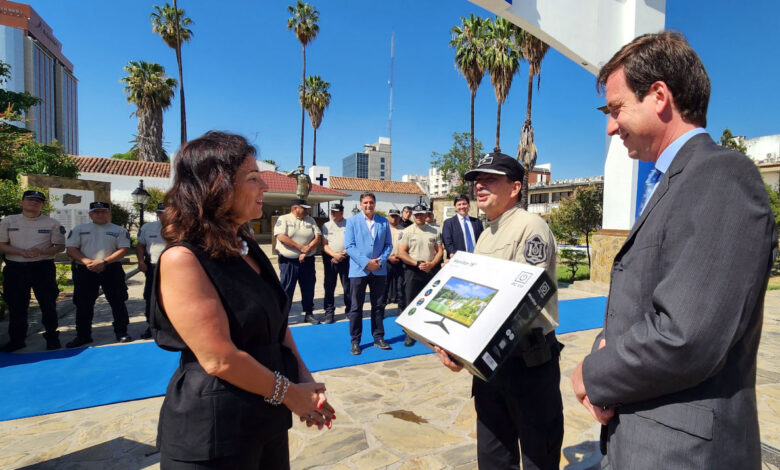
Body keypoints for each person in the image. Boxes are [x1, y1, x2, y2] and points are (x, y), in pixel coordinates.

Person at [570, 32, 776, 469]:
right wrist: (605, 345)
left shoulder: (721, 176)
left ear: (659, 96)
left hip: (681, 455)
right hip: (639, 440)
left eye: (615, 108)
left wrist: (592, 374)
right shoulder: (671, 182)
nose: (610, 126)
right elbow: (644, 303)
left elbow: (686, 337)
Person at [151, 131, 335, 469]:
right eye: (253, 179)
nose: (264, 188)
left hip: (266, 418)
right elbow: (219, 359)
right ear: (216, 186)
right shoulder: (183, 259)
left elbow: (278, 329)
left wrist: (306, 382)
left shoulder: (248, 249)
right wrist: (293, 396)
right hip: (216, 430)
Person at [436, 152, 562, 470]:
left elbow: (521, 300)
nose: (479, 185)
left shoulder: (530, 227)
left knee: (538, 457)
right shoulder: (486, 233)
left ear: (515, 187)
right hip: (491, 367)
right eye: (477, 180)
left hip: (527, 364)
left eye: (490, 179)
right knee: (493, 458)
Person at [0, 190, 65, 351]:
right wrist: (20, 252)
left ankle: (52, 338)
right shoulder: (8, 221)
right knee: (17, 306)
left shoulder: (52, 223)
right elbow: (1, 244)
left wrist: (41, 252)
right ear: (21, 203)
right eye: (30, 199)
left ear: (42, 205)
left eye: (38, 201)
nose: (34, 202)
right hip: (16, 268)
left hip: (42, 268)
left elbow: (59, 246)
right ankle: (17, 340)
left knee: (48, 304)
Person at [65, 201, 133, 348]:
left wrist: (104, 262)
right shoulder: (79, 229)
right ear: (90, 214)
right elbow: (71, 249)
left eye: (104, 211)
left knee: (118, 302)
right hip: (85, 270)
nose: (100, 214)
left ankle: (121, 332)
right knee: (83, 304)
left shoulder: (119, 230)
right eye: (96, 212)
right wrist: (87, 261)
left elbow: (123, 249)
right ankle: (83, 335)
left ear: (109, 213)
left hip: (111, 269)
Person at [343, 192, 393, 355]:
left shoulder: (383, 221)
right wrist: (366, 262)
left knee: (378, 305)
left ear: (375, 204)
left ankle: (378, 337)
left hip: (379, 270)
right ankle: (355, 341)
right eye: (365, 203)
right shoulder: (352, 221)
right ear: (360, 204)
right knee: (356, 307)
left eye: (371, 202)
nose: (368, 205)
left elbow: (388, 245)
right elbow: (349, 246)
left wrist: (380, 261)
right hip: (359, 270)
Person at [397, 203, 443, 347]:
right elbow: (401, 252)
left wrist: (432, 264)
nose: (419, 217)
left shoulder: (435, 231)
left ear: (426, 214)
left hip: (429, 271)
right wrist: (416, 263)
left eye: (421, 214)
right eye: (416, 215)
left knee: (430, 303)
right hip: (413, 271)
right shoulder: (407, 231)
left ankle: (427, 332)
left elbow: (440, 250)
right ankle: (410, 334)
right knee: (411, 303)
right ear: (413, 215)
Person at [274, 199, 321, 324]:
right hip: (289, 261)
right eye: (304, 208)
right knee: (287, 288)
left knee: (308, 287)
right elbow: (281, 237)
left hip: (307, 260)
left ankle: (309, 313)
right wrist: (300, 248)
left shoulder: (310, 220)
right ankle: (283, 316)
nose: (306, 211)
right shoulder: (284, 219)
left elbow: (318, 237)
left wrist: (306, 251)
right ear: (295, 208)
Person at [137, 203, 167, 339]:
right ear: (158, 214)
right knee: (151, 297)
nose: (164, 215)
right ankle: (152, 326)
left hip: (174, 268)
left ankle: (173, 327)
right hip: (153, 266)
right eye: (161, 213)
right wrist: (141, 261)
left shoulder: (182, 226)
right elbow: (141, 246)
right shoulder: (147, 227)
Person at [321, 203, 350, 324]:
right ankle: (329, 312)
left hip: (346, 258)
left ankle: (350, 310)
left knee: (348, 287)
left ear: (342, 213)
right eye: (331, 211)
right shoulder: (326, 225)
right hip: (330, 259)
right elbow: (324, 244)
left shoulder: (349, 224)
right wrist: (334, 255)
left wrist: (343, 254)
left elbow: (353, 242)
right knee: (329, 286)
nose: (332, 213)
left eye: (335, 212)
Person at [384, 209, 406, 311]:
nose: (394, 218)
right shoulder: (383, 229)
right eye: (392, 216)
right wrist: (389, 257)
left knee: (400, 287)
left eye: (396, 216)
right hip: (386, 262)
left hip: (400, 262)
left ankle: (401, 310)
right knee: (384, 287)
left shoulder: (404, 230)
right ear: (388, 217)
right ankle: (381, 310)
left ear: (399, 217)